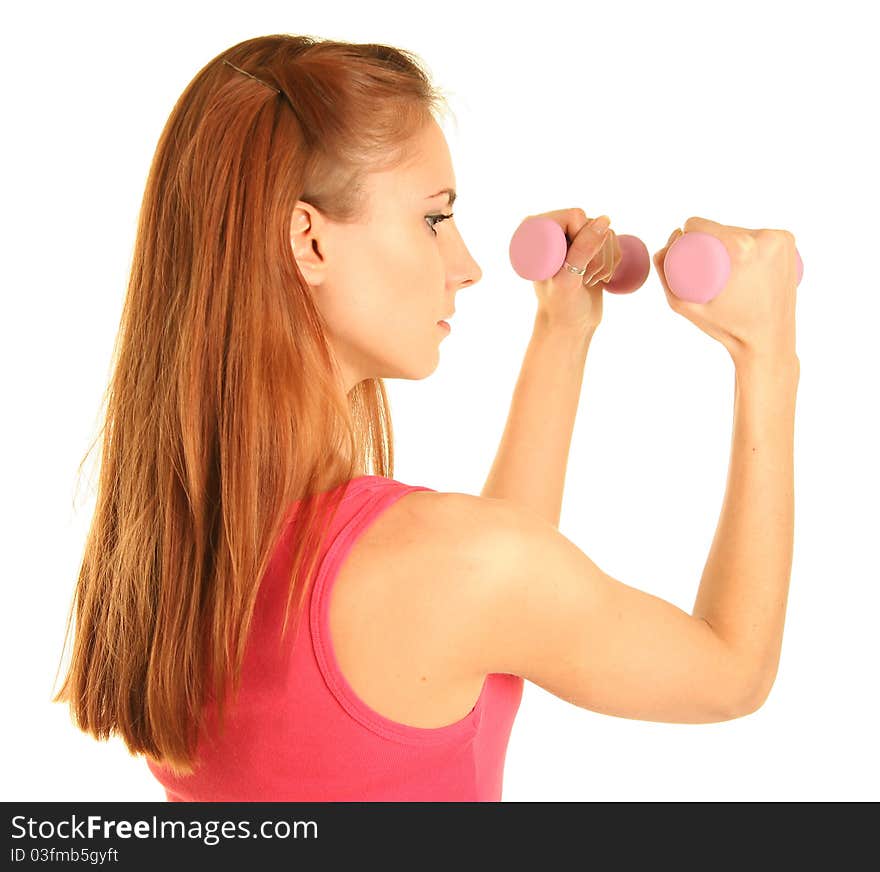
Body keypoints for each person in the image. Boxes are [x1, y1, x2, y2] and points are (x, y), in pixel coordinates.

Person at [51, 33, 800, 801]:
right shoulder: (445, 566)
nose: (466, 265)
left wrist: (561, 333)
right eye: (434, 219)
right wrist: (766, 353)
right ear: (307, 240)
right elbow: (731, 673)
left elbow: (491, 606)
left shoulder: (169, 554)